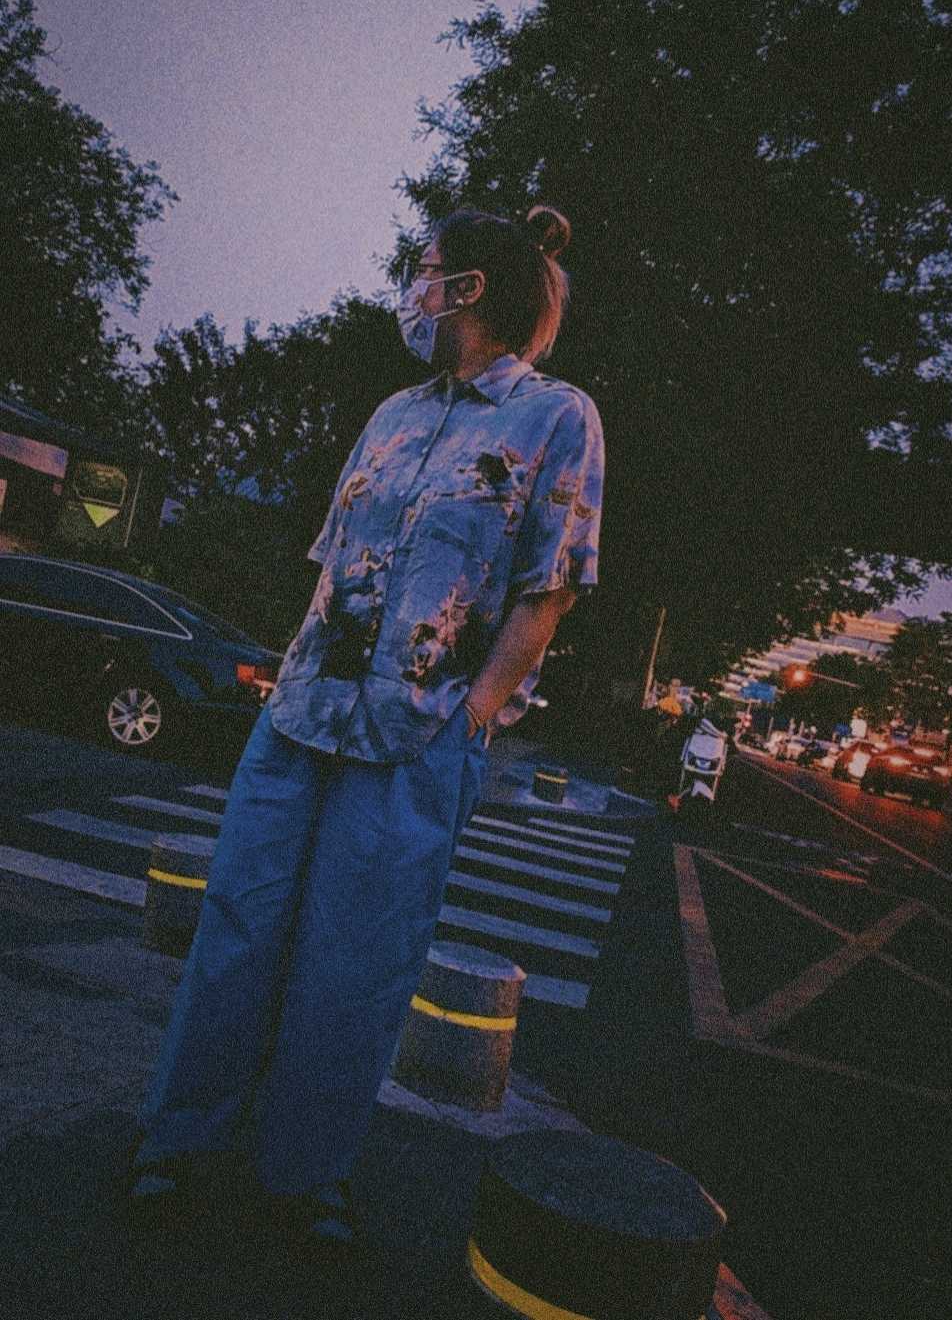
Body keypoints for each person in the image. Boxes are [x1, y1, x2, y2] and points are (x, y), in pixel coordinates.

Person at [128, 205, 605, 1257]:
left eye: (425, 271)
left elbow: (549, 589)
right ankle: (181, 1136)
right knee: (238, 929)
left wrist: (471, 718)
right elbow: (329, 565)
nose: (412, 290)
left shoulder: (555, 417)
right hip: (300, 717)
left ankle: (303, 1173)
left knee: (356, 963)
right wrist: (285, 680)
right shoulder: (392, 412)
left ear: (469, 288)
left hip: (415, 735)